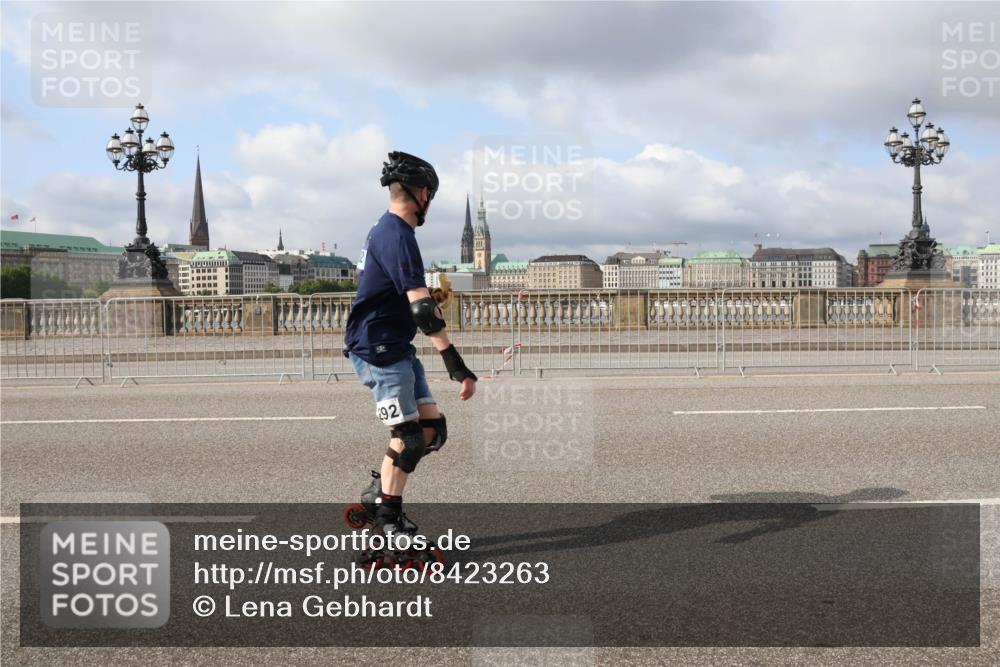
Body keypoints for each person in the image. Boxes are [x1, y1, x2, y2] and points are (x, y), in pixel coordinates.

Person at [344, 151, 477, 539]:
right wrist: (455, 363)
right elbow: (421, 309)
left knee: (432, 429)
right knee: (409, 436)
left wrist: (423, 298)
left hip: (395, 346)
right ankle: (387, 520)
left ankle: (378, 495)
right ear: (423, 193)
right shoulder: (397, 234)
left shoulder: (386, 230)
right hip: (377, 349)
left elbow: (404, 295)